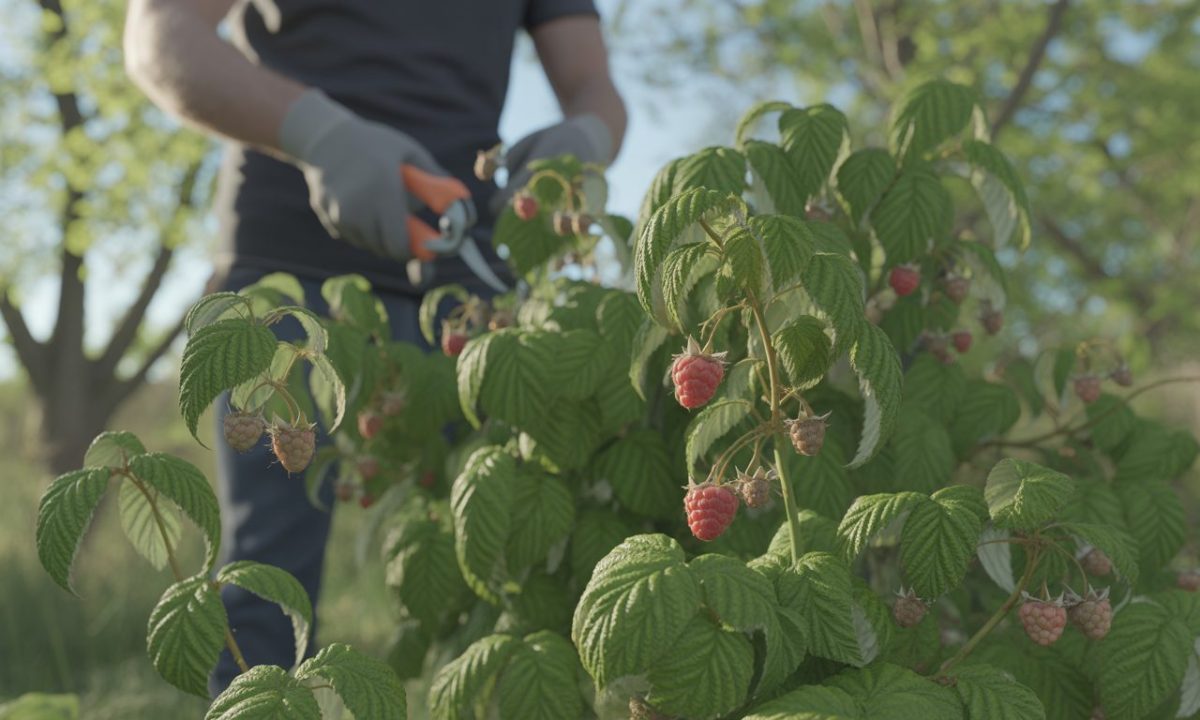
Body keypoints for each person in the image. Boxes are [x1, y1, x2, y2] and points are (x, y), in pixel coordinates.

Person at [123, 0, 626, 694]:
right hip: (284, 282)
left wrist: (588, 135)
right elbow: (161, 33)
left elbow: (593, 84)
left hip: (464, 295)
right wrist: (319, 135)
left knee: (509, 564)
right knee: (267, 581)